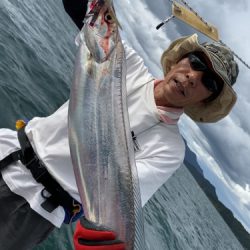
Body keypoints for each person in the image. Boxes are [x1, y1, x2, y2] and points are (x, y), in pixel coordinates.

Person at [0, 0, 239, 249]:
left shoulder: (170, 149)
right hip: (7, 147)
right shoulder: (126, 63)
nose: (193, 77)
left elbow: (118, 202)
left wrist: (108, 236)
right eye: (196, 63)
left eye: (209, 82)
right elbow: (78, 8)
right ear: (180, 59)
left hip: (31, 208)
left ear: (207, 99)